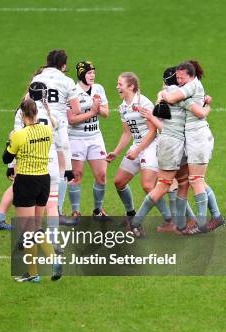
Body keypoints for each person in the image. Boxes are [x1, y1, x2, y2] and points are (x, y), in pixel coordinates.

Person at [128, 67, 209, 235]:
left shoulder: (164, 94)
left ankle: (176, 225)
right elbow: (199, 112)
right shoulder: (182, 95)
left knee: (171, 184)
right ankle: (193, 224)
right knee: (179, 184)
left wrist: (161, 94)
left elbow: (159, 110)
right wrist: (207, 103)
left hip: (168, 144)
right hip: (176, 144)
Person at [160, 61, 223, 233]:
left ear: (191, 76)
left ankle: (200, 223)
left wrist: (164, 93)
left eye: (182, 77)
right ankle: (212, 217)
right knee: (195, 179)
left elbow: (177, 101)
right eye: (177, 78)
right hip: (191, 140)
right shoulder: (192, 86)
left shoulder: (191, 86)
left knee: (196, 180)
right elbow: (200, 109)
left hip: (198, 138)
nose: (179, 80)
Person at [106, 72, 172, 228]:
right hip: (137, 146)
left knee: (148, 185)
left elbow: (152, 131)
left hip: (151, 146)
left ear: (131, 86)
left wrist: (138, 151)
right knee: (119, 182)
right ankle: (131, 214)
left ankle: (170, 220)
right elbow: (127, 133)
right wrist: (116, 152)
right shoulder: (123, 107)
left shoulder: (143, 103)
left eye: (120, 84)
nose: (117, 87)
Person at [2, 99, 56, 282]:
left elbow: (6, 158)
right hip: (44, 180)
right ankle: (34, 273)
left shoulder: (19, 135)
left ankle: (49, 262)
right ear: (37, 113)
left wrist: (9, 140)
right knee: (36, 226)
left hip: (26, 181)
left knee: (27, 230)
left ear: (23, 116)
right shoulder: (47, 130)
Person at [30, 50, 84, 214]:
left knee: (30, 170)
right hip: (56, 128)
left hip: (35, 128)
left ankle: (24, 214)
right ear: (64, 65)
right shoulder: (67, 81)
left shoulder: (37, 78)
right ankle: (56, 212)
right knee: (60, 172)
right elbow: (77, 109)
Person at [67, 60, 110, 219]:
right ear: (81, 74)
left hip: (95, 138)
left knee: (102, 176)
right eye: (89, 72)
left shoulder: (98, 89)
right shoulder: (72, 91)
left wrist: (98, 108)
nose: (93, 75)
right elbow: (72, 120)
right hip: (76, 139)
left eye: (93, 72)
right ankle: (76, 211)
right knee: (76, 175)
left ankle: (98, 210)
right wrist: (92, 111)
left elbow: (106, 113)